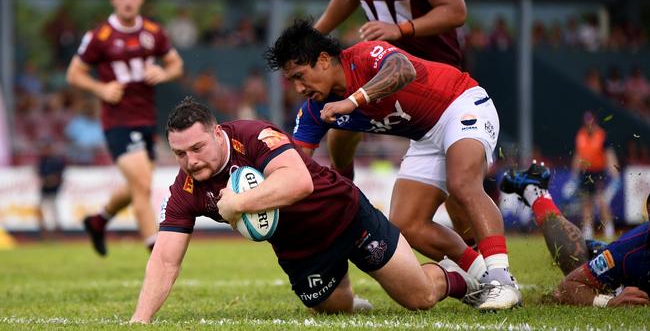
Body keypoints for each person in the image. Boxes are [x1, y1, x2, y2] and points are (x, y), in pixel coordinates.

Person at [129, 97, 486, 323]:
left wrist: (238, 203)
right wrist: (139, 321)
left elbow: (299, 182)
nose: (189, 161)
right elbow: (164, 261)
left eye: (196, 148)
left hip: (345, 216)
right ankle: (341, 282)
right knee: (336, 310)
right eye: (179, 154)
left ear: (217, 133)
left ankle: (463, 280)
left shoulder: (254, 136)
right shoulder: (185, 190)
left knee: (419, 297)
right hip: (301, 251)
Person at [264, 19, 520, 310]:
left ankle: (503, 280)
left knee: (462, 183)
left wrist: (353, 100)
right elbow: (296, 166)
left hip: (460, 104)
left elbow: (403, 70)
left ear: (323, 60)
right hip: (424, 137)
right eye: (292, 81)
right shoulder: (313, 111)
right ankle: (482, 277)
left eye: (300, 76)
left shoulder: (364, 56)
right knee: (407, 224)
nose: (298, 88)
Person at [66, 0, 184, 255]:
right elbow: (74, 74)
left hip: (146, 119)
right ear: (113, 0)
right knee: (142, 184)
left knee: (136, 185)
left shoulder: (153, 33)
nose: (127, 1)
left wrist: (164, 72)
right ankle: (156, 252)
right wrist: (101, 89)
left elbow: (176, 65)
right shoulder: (100, 36)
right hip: (117, 121)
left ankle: (98, 220)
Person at [313, 0, 467, 182]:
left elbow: (456, 11)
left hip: (435, 75)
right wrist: (311, 37)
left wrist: (400, 29)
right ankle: (343, 189)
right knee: (341, 124)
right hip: (386, 70)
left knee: (457, 194)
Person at [501, 162, 650, 307]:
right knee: (579, 263)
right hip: (615, 265)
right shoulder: (626, 250)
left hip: (598, 172)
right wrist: (609, 302)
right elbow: (567, 288)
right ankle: (536, 193)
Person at [563, 111, 621, 240]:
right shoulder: (580, 135)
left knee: (601, 201)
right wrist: (573, 175)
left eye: (591, 122)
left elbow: (609, 154)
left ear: (595, 122)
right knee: (586, 201)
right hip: (585, 173)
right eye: (586, 122)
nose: (589, 125)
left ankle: (608, 227)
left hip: (598, 172)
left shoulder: (601, 135)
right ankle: (588, 229)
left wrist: (614, 171)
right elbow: (578, 155)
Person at [36, 140, 66, 239]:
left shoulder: (57, 161)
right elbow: (41, 177)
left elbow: (59, 178)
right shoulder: (42, 161)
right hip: (44, 192)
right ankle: (45, 235)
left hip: (54, 192)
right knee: (43, 213)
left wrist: (51, 180)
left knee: (54, 213)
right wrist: (48, 180)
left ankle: (57, 235)